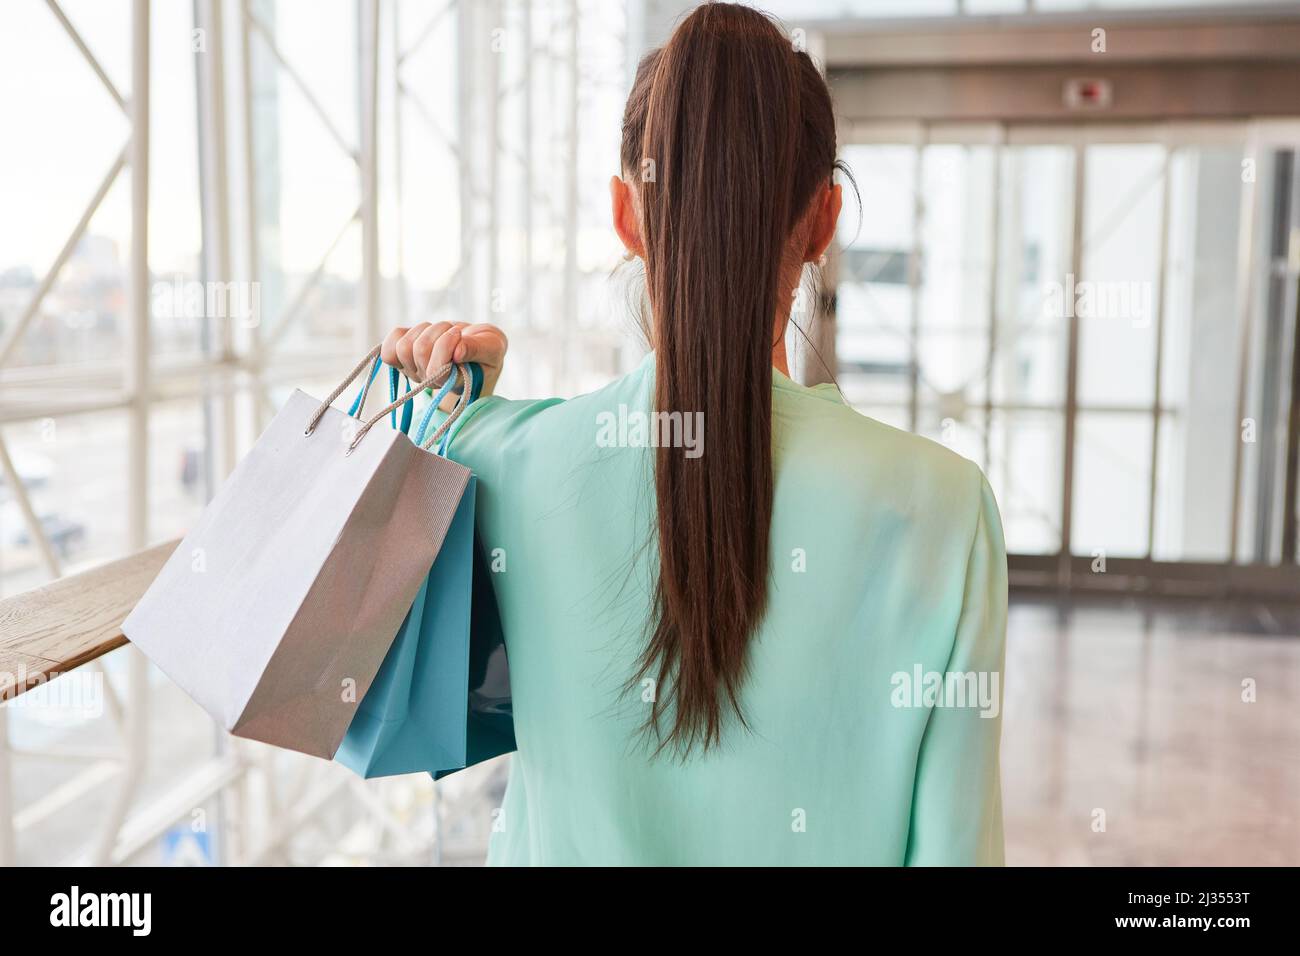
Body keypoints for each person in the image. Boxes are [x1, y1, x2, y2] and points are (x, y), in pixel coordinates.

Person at [382, 2, 1006, 866]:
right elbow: (956, 849)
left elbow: (337, 647)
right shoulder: (942, 508)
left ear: (625, 216)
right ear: (824, 222)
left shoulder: (501, 462)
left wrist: (450, 398)